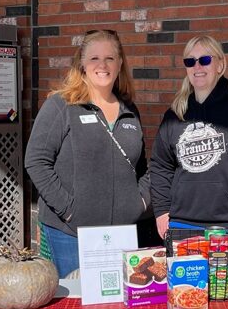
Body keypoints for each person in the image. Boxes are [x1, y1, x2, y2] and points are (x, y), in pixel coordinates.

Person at [25, 29, 150, 277]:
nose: (102, 65)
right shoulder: (62, 104)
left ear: (120, 63)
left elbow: (141, 167)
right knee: (75, 306)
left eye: (110, 58)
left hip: (121, 234)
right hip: (71, 233)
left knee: (118, 304)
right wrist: (69, 209)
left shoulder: (129, 110)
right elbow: (36, 161)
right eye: (94, 58)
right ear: (81, 63)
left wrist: (140, 202)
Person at [149, 35, 228, 240]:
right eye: (190, 61)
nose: (197, 66)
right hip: (183, 226)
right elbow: (160, 167)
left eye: (205, 60)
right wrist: (162, 211)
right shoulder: (175, 115)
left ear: (220, 65)